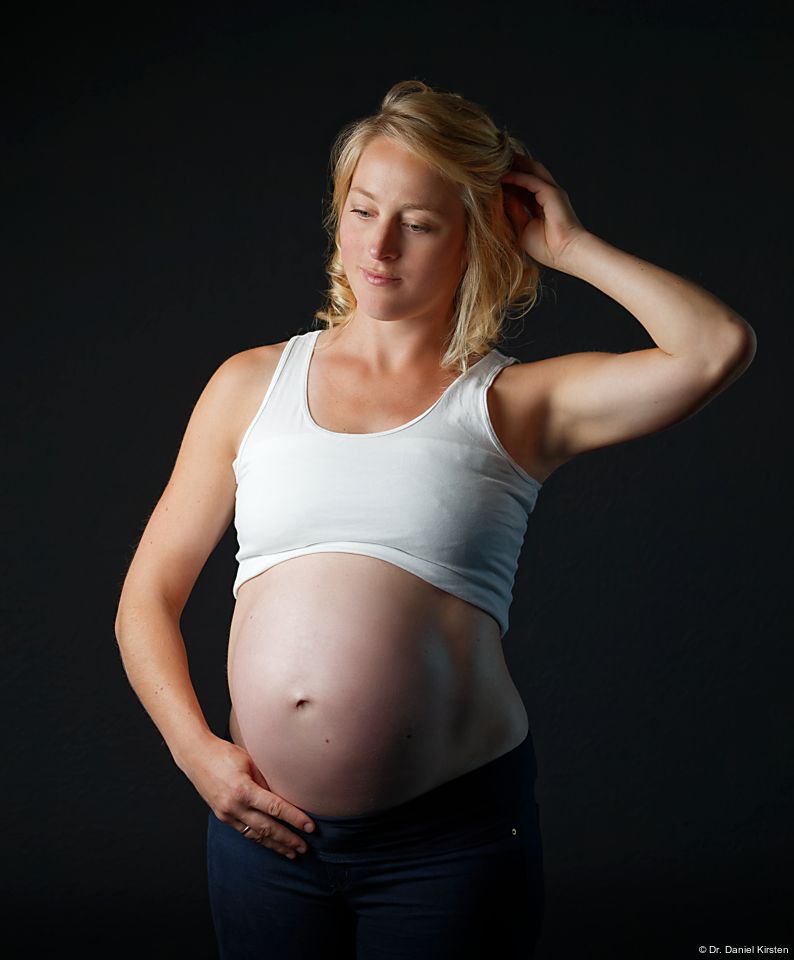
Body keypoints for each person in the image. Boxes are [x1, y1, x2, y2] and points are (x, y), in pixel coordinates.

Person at [114, 79, 756, 959]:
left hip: (446, 847)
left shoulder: (514, 404)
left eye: (417, 223)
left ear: (474, 235)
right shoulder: (248, 385)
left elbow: (716, 347)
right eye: (363, 209)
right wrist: (195, 754)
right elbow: (146, 595)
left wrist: (571, 245)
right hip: (261, 835)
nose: (379, 247)